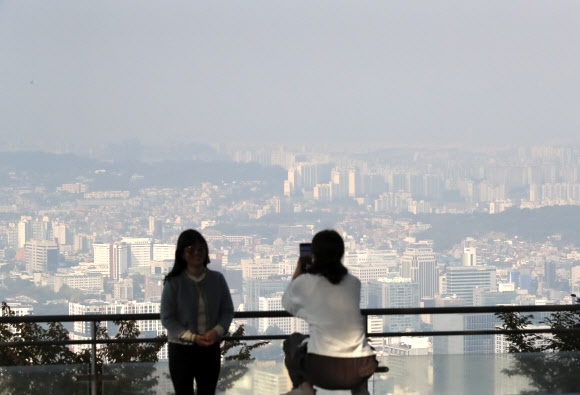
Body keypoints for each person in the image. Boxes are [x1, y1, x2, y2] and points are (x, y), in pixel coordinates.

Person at [282, 230, 377, 395]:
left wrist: (299, 272)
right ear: (341, 253)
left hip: (322, 369)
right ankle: (360, 391)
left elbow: (288, 304)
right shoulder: (354, 283)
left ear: (314, 254)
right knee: (358, 347)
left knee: (292, 341)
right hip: (360, 368)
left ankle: (304, 387)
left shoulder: (306, 283)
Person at [160, 229, 234, 395]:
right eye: (191, 249)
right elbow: (167, 318)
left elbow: (227, 311)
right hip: (181, 350)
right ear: (182, 253)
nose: (197, 253)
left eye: (201, 249)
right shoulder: (174, 283)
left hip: (210, 348)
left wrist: (217, 331)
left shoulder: (217, 279)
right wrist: (193, 337)